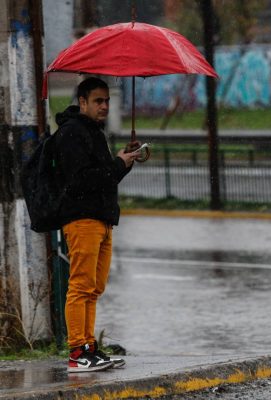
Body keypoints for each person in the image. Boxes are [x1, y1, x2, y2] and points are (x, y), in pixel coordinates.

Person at [54, 77, 138, 373]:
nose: (104, 106)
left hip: (101, 220)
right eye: (98, 101)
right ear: (83, 102)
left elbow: (105, 178)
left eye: (107, 101)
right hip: (82, 219)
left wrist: (124, 162)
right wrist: (116, 164)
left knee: (93, 287)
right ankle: (77, 351)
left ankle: (89, 348)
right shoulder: (72, 134)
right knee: (80, 286)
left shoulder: (93, 133)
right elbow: (81, 180)